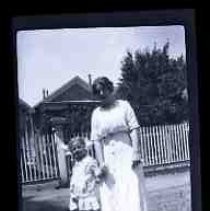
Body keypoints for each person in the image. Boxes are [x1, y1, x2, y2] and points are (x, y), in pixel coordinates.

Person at [90, 77, 148, 211]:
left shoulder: (124, 105)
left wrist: (136, 152)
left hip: (126, 151)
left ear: (110, 89)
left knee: (132, 186)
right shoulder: (96, 114)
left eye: (103, 90)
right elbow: (96, 140)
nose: (101, 94)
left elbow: (134, 128)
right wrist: (101, 163)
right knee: (113, 190)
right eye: (97, 92)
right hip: (109, 155)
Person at [68, 137, 104, 211]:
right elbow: (74, 180)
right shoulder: (76, 165)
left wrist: (99, 173)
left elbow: (97, 172)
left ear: (84, 148)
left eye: (79, 147)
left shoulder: (90, 161)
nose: (76, 150)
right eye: (74, 149)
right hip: (79, 195)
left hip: (89, 194)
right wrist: (73, 194)